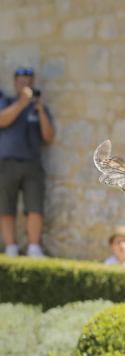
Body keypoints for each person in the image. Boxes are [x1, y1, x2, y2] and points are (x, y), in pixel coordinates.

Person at [0, 67, 55, 257]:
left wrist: (40, 110)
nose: (26, 86)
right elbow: (2, 121)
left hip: (32, 163)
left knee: (35, 206)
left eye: (29, 82)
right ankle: (11, 247)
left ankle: (33, 247)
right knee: (6, 206)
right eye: (22, 82)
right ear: (15, 83)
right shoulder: (5, 102)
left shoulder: (39, 107)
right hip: (6, 163)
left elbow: (48, 136)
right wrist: (22, 103)